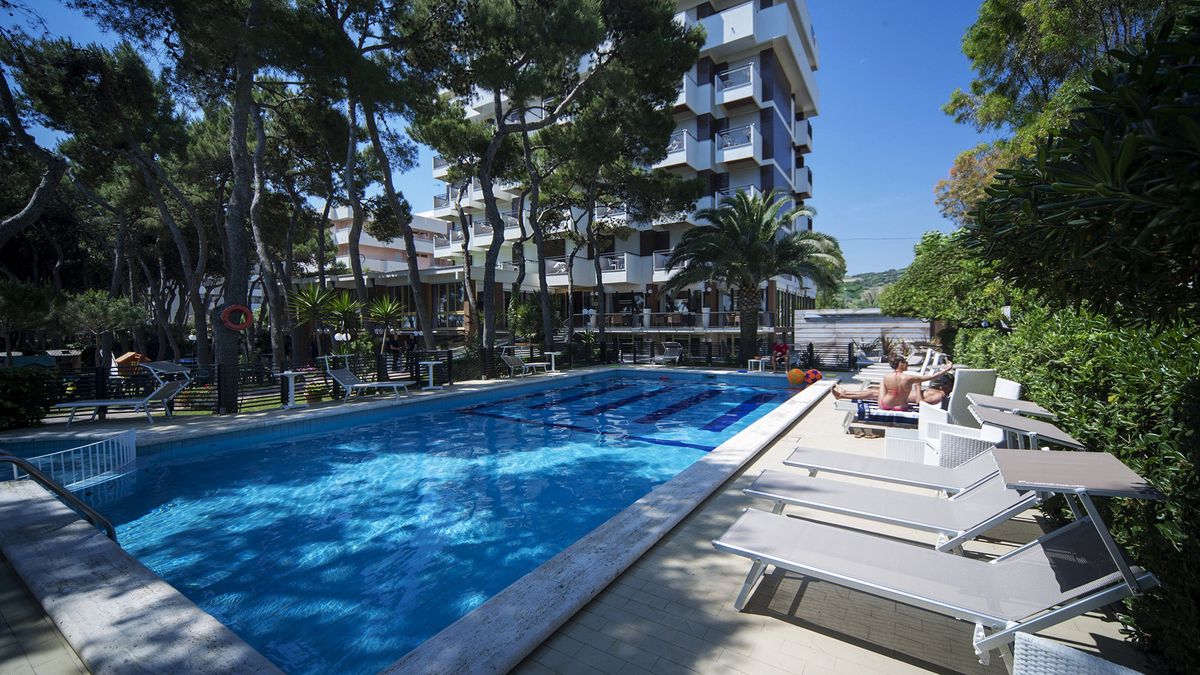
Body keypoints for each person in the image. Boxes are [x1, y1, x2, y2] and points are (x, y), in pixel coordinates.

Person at [832, 356, 955, 410]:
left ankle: (843, 394)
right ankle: (844, 393)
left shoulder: (940, 395)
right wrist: (947, 369)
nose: (942, 383)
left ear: (950, 386)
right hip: (896, 399)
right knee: (873, 391)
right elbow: (933, 376)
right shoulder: (938, 391)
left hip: (896, 402)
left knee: (873, 391)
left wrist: (917, 387)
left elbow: (919, 403)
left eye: (945, 383)